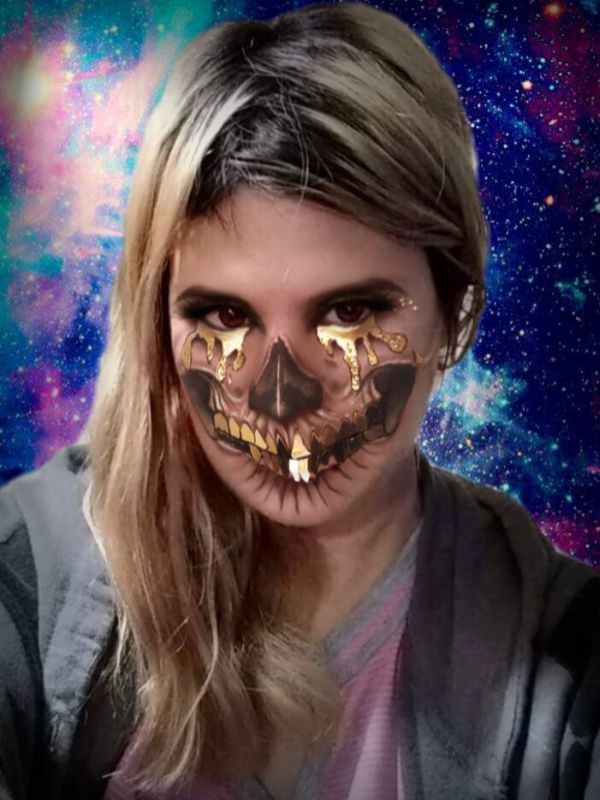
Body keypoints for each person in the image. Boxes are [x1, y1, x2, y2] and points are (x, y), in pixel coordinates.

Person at [1, 3, 598, 799]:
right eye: (224, 316)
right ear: (158, 320)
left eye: (349, 312)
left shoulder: (571, 660)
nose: (281, 397)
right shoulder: (31, 568)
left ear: (453, 310)